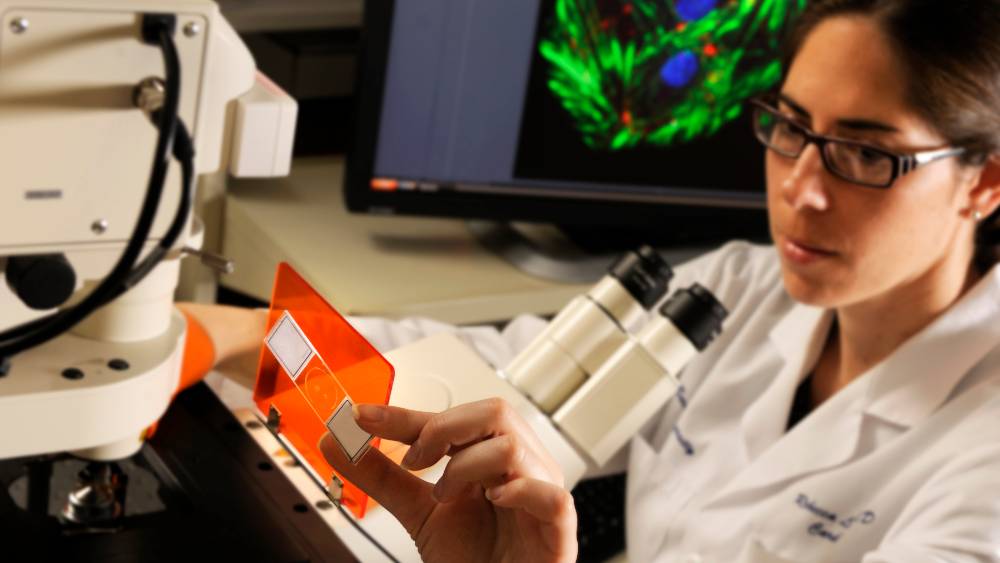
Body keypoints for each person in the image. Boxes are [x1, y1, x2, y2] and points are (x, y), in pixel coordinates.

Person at [309, 0, 1000, 561]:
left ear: (986, 181)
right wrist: (252, 333)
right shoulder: (744, 284)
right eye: (790, 127)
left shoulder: (985, 453)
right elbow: (506, 367)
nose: (800, 188)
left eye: (863, 153)